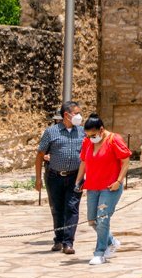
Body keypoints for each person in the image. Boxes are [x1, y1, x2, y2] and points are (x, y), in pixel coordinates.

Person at [74, 115, 131, 266]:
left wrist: (119, 181)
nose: (90, 138)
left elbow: (125, 161)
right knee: (92, 220)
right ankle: (111, 241)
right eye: (88, 135)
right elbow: (84, 162)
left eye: (93, 135)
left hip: (110, 187)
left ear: (101, 129)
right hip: (93, 185)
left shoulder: (114, 139)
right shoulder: (87, 141)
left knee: (103, 218)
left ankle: (99, 252)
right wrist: (78, 180)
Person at [35, 101, 85, 255]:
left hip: (75, 177)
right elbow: (40, 155)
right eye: (76, 113)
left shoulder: (82, 132)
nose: (79, 116)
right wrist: (38, 179)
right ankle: (59, 239)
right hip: (54, 177)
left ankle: (68, 243)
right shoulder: (51, 132)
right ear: (66, 115)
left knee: (72, 208)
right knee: (57, 209)